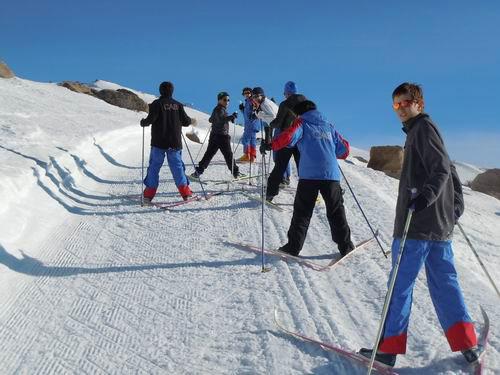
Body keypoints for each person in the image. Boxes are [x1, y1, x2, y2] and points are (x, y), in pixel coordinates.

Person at [359, 82, 479, 367]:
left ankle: (387, 350)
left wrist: (425, 197)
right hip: (438, 228)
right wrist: (453, 206)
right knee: (446, 285)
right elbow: (447, 168)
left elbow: (439, 170)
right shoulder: (423, 131)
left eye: (405, 103)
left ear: (419, 104)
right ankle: (467, 344)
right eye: (396, 105)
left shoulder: (422, 129)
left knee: (399, 286)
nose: (400, 109)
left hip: (415, 226)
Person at [271, 100, 354, 257]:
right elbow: (344, 150)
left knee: (302, 212)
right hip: (331, 176)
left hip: (309, 176)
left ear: (300, 113)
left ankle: (293, 248)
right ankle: (346, 246)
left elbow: (289, 137)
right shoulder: (328, 126)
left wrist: (272, 145)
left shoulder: (301, 123)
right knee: (336, 211)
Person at [140, 81, 196, 202]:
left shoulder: (156, 104)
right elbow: (186, 122)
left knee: (154, 167)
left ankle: (149, 194)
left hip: (158, 142)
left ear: (160, 91)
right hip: (175, 142)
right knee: (177, 167)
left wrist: (143, 122)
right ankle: (185, 192)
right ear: (172, 91)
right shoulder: (178, 105)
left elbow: (150, 119)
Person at [262, 81, 306, 201]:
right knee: (303, 167)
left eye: (284, 93)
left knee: (280, 166)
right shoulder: (306, 103)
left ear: (287, 93)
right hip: (302, 139)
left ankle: (270, 194)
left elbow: (279, 122)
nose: (284, 95)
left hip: (287, 139)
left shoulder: (285, 104)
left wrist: (270, 123)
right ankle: (310, 192)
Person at [191, 92, 243, 179]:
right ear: (219, 100)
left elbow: (211, 119)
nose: (227, 102)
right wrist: (231, 117)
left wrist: (229, 118)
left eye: (228, 100)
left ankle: (198, 172)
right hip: (222, 136)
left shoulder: (218, 109)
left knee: (209, 154)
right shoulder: (219, 109)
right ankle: (236, 173)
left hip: (214, 135)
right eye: (225, 100)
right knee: (228, 155)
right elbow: (221, 119)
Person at [237, 87, 260, 163]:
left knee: (245, 139)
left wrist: (254, 112)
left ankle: (247, 155)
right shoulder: (247, 102)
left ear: (251, 93)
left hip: (251, 124)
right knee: (252, 140)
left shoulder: (251, 100)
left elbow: (256, 107)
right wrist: (242, 109)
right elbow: (246, 114)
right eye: (245, 93)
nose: (246, 94)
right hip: (251, 124)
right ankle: (252, 156)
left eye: (248, 93)